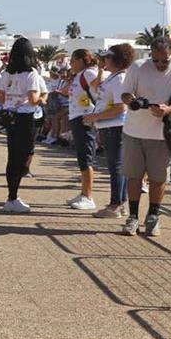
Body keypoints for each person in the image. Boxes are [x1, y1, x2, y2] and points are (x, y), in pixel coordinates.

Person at [118, 34, 171, 236]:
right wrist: (133, 101)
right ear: (150, 54)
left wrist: (168, 109)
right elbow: (125, 94)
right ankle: (133, 217)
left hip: (163, 134)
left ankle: (153, 217)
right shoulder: (137, 66)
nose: (160, 64)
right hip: (133, 131)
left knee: (158, 178)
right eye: (156, 60)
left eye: (165, 60)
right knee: (133, 176)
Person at [0, 38, 48, 213]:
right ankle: (13, 197)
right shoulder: (31, 74)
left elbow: (2, 98)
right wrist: (42, 100)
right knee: (22, 157)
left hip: (10, 117)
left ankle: (11, 195)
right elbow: (34, 100)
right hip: (26, 118)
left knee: (12, 157)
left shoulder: (7, 73)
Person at [81, 47, 131, 217]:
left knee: (116, 166)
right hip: (110, 126)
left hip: (115, 127)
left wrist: (95, 116)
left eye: (108, 57)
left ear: (116, 60)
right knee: (118, 166)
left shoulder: (119, 79)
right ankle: (120, 202)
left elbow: (120, 107)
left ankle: (115, 204)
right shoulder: (115, 77)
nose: (104, 60)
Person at [63, 49, 103, 211]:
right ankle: (83, 193)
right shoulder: (80, 75)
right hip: (78, 117)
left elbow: (98, 87)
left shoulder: (88, 74)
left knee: (86, 157)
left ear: (81, 60)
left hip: (85, 118)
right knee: (82, 157)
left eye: (72, 60)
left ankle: (88, 196)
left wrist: (101, 70)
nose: (71, 64)